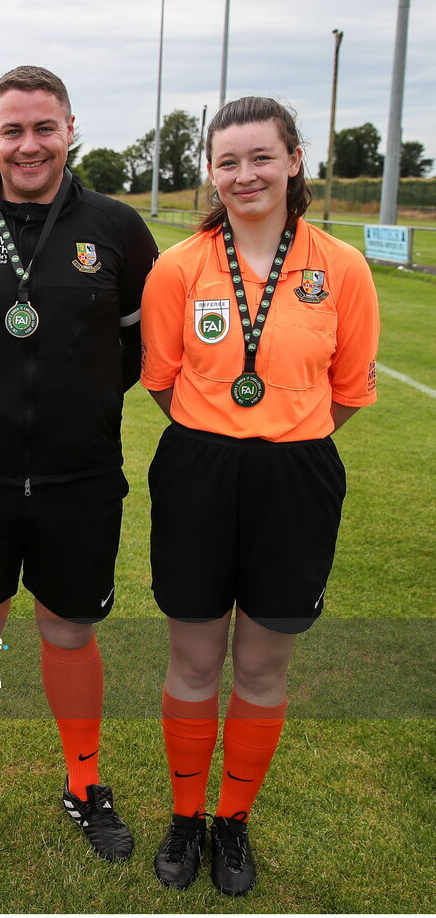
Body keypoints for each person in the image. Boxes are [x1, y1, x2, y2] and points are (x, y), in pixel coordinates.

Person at [0, 66, 158, 858]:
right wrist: (0, 397)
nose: (29, 144)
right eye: (12, 129)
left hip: (79, 475)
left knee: (70, 632)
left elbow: (134, 348)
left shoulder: (117, 228)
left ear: (71, 128)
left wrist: (68, 401)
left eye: (44, 127)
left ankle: (84, 784)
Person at [140, 96, 380, 895]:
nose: (244, 175)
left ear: (294, 160)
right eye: (228, 161)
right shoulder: (179, 267)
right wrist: (221, 439)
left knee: (264, 665)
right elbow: (164, 383)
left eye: (260, 158)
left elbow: (347, 391)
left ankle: (232, 824)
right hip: (198, 470)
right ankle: (184, 815)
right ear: (211, 171)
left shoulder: (341, 268)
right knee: (194, 657)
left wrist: (286, 434)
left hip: (297, 474)